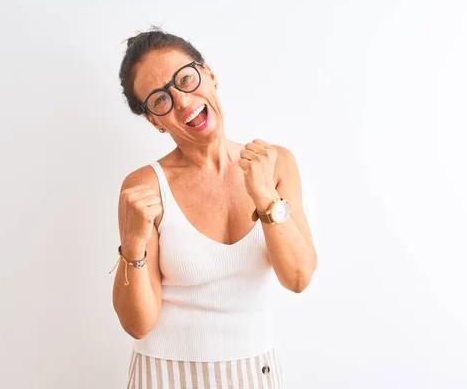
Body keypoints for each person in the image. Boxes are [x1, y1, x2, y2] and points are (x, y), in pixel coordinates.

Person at [110, 27, 317, 388]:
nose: (183, 102)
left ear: (209, 74)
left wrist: (266, 197)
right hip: (164, 375)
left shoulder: (274, 164)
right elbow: (137, 324)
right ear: (154, 120)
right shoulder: (145, 187)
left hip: (255, 373)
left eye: (185, 79)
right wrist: (132, 245)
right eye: (160, 99)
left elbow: (298, 278)